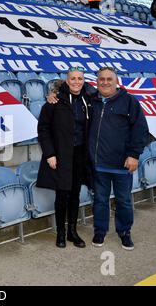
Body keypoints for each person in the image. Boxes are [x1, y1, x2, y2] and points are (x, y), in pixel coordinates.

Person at [89, 67, 149, 251]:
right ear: (97, 81)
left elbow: (140, 130)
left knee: (123, 201)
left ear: (116, 81)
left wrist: (134, 155)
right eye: (101, 79)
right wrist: (54, 93)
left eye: (109, 79)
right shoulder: (92, 100)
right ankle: (100, 230)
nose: (105, 82)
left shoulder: (129, 101)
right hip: (98, 164)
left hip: (122, 164)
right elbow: (71, 88)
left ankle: (124, 232)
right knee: (100, 200)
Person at [36, 67, 92, 248]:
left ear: (84, 80)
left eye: (80, 78)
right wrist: (50, 154)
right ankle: (60, 233)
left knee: (75, 194)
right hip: (61, 156)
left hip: (80, 154)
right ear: (67, 81)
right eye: (73, 78)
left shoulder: (89, 99)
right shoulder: (54, 102)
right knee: (62, 195)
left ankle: (72, 232)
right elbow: (43, 130)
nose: (77, 81)